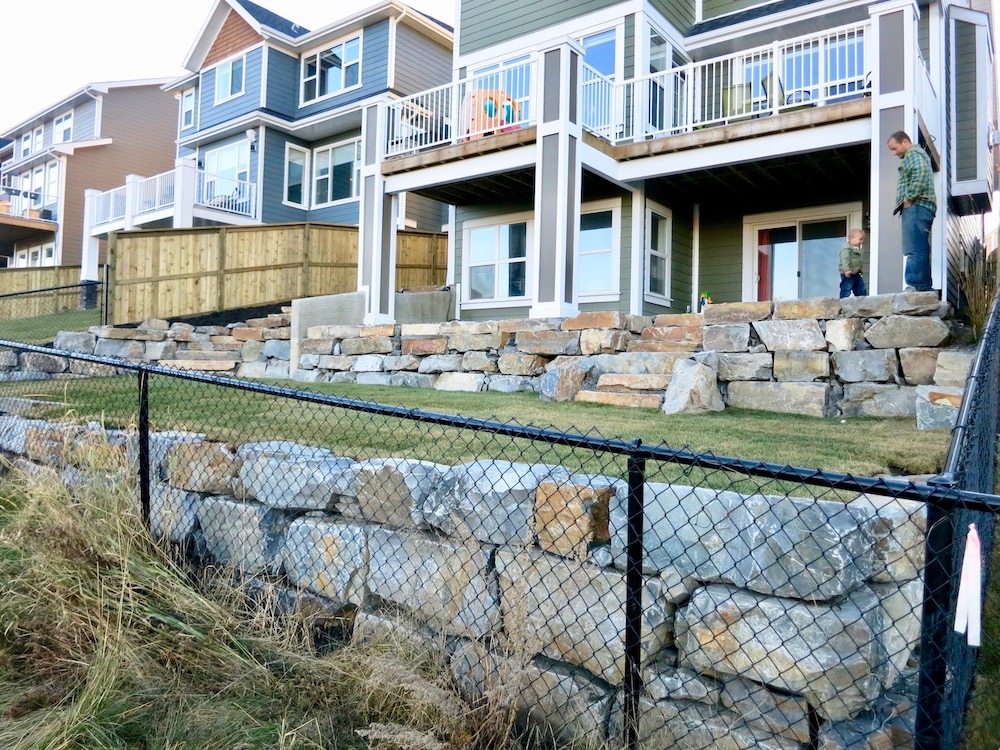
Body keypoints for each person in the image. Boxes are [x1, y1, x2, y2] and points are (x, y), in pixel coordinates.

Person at [887, 130, 936, 291]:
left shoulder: (913, 154)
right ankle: (923, 287)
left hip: (916, 207)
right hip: (922, 207)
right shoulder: (918, 154)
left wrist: (910, 196)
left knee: (913, 248)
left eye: (895, 148)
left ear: (905, 142)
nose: (894, 153)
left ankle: (916, 286)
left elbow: (920, 172)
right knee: (919, 247)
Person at [839, 228, 867, 298]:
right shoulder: (846, 249)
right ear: (851, 238)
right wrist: (846, 270)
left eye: (862, 240)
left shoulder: (859, 248)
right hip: (848, 273)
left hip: (856, 272)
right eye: (860, 239)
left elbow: (859, 260)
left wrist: (860, 268)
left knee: (861, 288)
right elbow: (845, 259)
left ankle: (862, 301)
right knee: (846, 288)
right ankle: (843, 301)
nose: (862, 241)